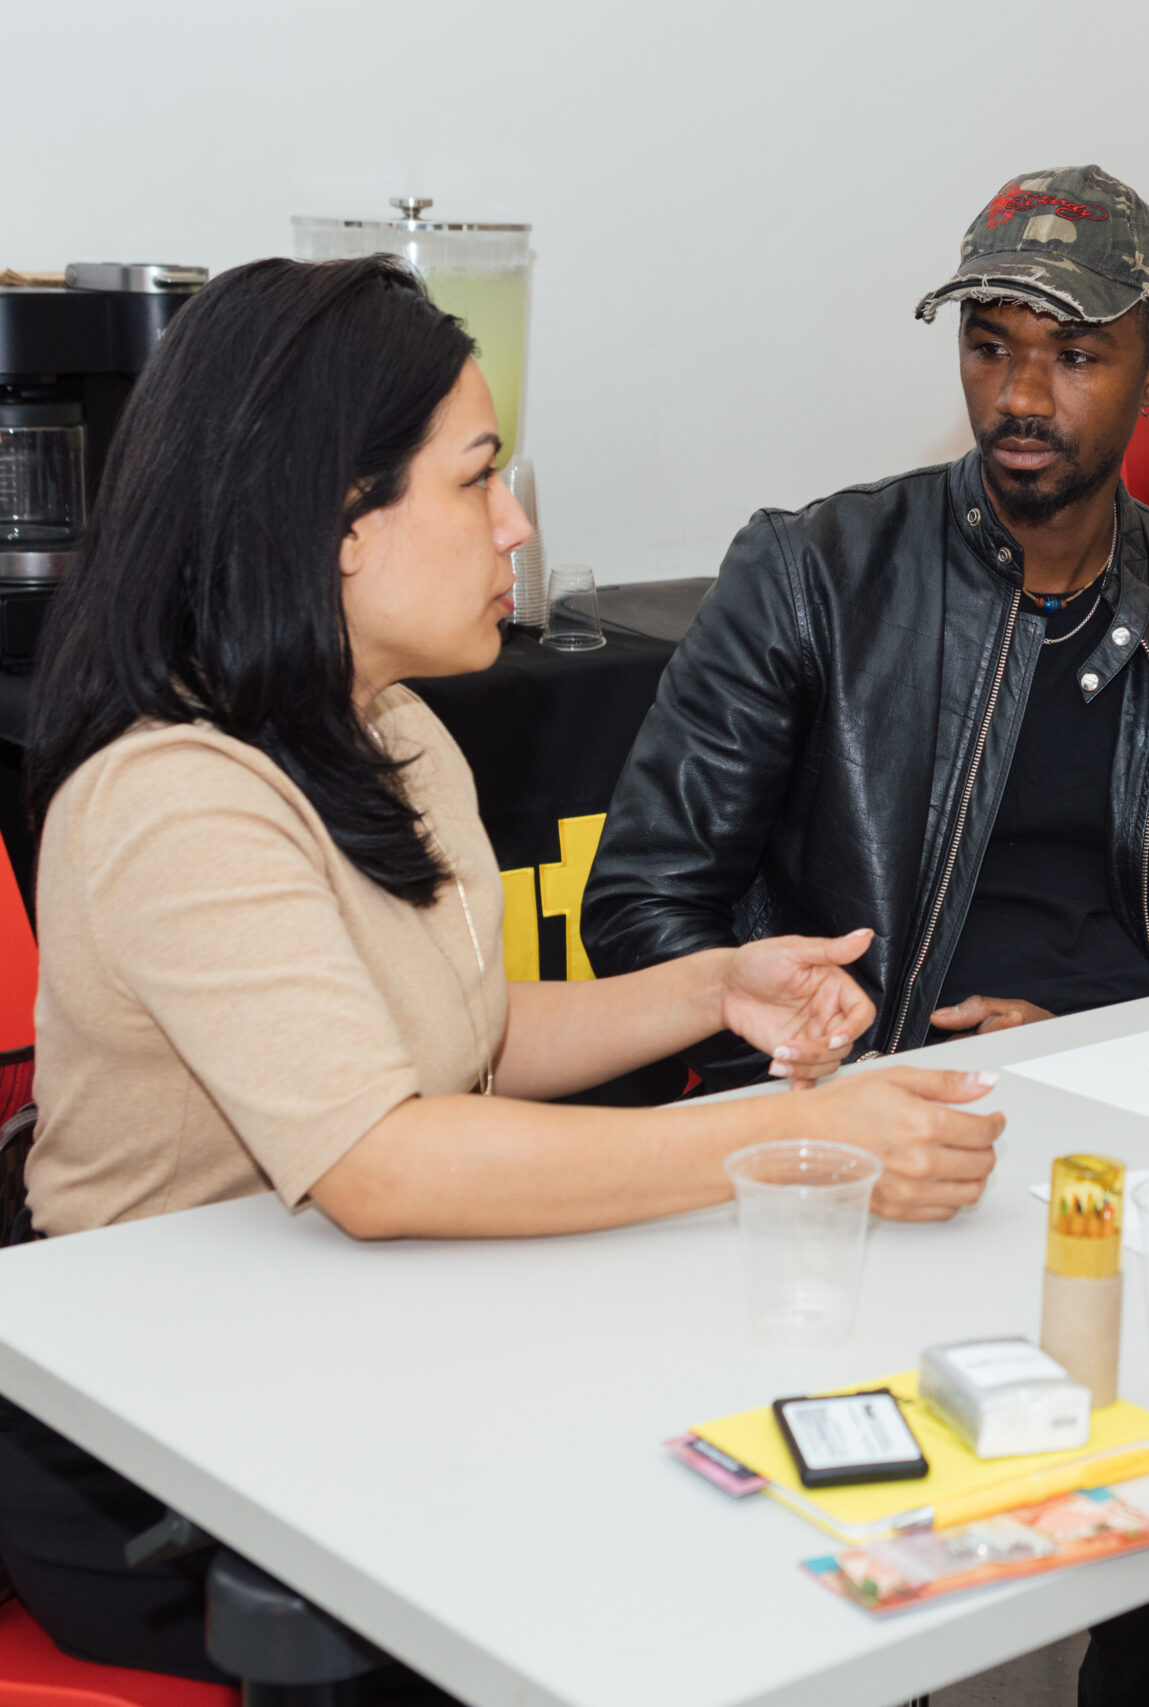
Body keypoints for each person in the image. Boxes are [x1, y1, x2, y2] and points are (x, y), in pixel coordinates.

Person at [4, 255, 1006, 1684]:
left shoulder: (395, 732)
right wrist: (791, 1130)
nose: (515, 525)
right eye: (477, 481)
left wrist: (708, 989)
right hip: (156, 1454)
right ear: (335, 521)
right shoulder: (175, 797)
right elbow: (384, 1162)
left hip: (348, 1347)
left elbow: (449, 1035)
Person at [581, 165, 1149, 1707]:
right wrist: (820, 1043)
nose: (1022, 394)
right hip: (866, 1139)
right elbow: (643, 901)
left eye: (1073, 353)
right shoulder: (811, 577)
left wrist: (1112, 1055)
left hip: (1130, 1136)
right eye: (989, 347)